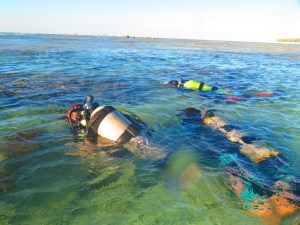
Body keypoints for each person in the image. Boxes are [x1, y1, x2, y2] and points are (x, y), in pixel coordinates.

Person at [178, 107, 299, 224]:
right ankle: (208, 120)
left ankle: (207, 120)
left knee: (239, 148)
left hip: (273, 179)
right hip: (273, 182)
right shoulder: (268, 208)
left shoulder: (266, 209)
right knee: (238, 148)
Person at [66, 95, 165, 160]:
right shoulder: (111, 113)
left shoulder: (94, 126)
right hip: (141, 132)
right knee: (160, 156)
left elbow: (89, 151)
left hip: (126, 144)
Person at [167, 78, 274, 101]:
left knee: (246, 95)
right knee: (243, 94)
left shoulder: (187, 86)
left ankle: (266, 94)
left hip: (215, 91)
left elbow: (197, 95)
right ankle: (265, 93)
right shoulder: (189, 81)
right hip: (215, 88)